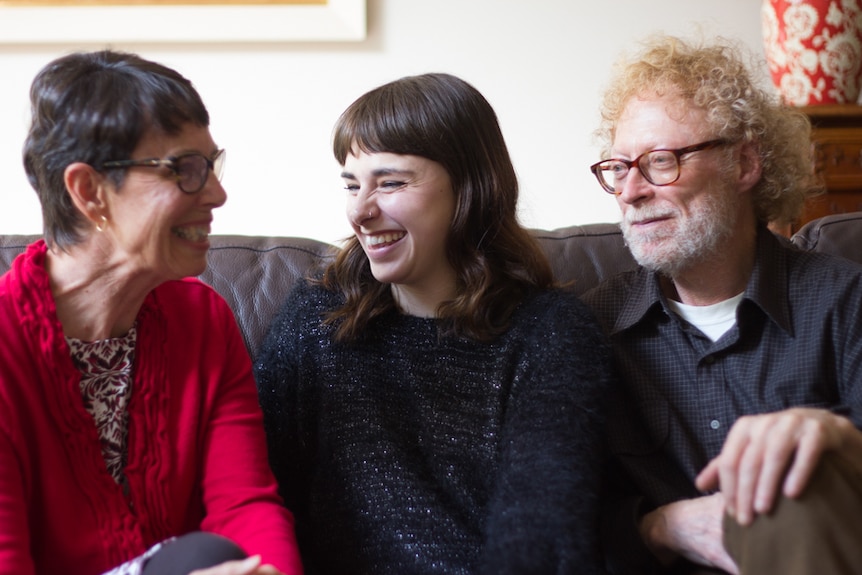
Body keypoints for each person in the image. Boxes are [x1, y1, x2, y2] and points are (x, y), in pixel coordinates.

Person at [255, 72, 612, 575]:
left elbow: (543, 532)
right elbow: (256, 490)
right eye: (352, 184)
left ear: (470, 188)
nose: (360, 211)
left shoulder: (550, 332)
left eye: (391, 182)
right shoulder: (317, 313)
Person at [0, 50, 303, 575]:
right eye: (185, 170)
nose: (217, 193)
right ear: (89, 191)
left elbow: (245, 504)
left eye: (212, 165)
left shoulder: (204, 320)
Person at [583, 35, 862, 575]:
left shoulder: (846, 302)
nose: (631, 191)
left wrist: (842, 442)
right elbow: (559, 517)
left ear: (745, 163)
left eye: (660, 161)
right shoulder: (590, 328)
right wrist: (662, 526)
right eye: (618, 167)